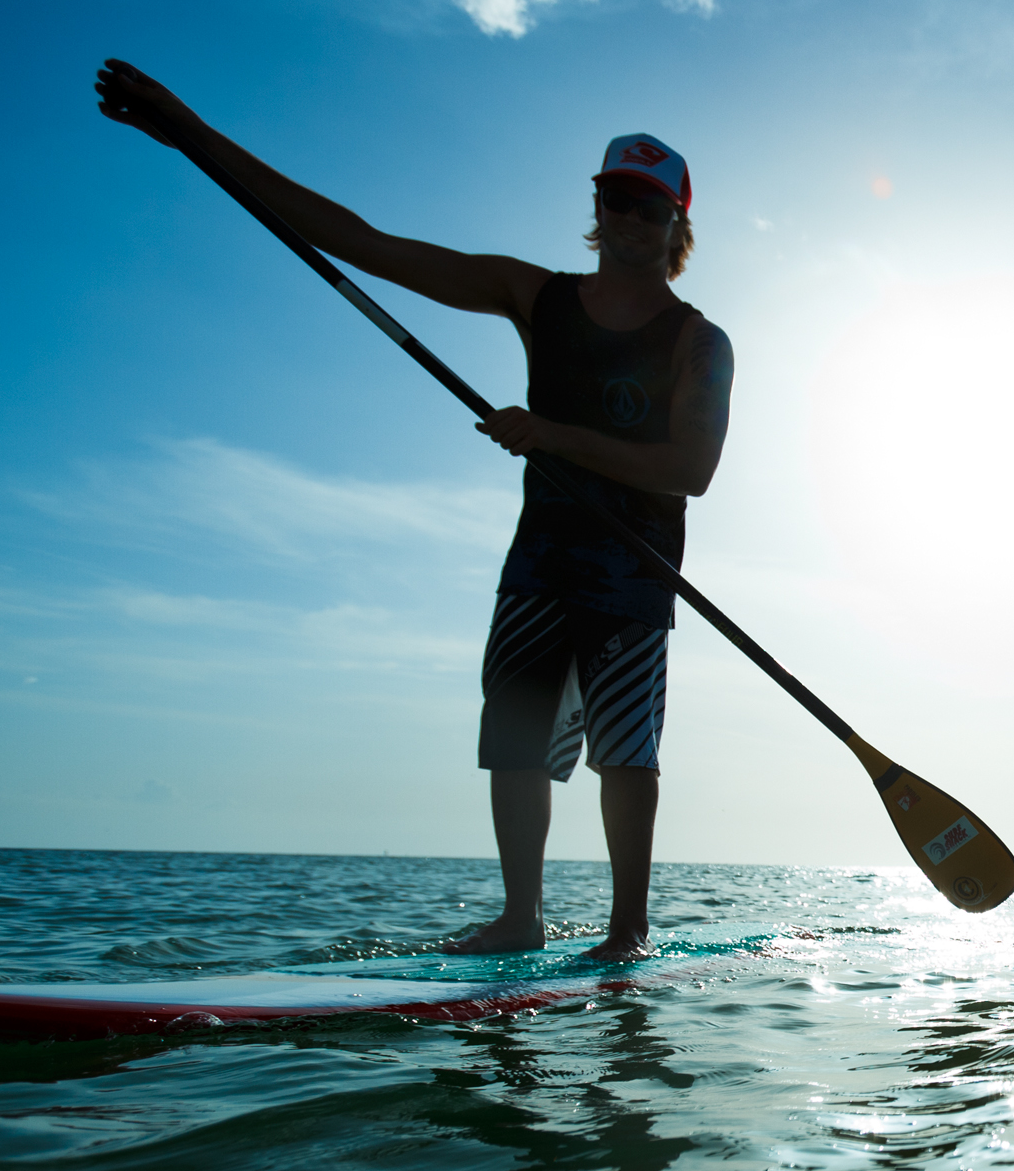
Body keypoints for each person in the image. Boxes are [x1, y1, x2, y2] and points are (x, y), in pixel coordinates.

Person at [94, 60, 733, 961]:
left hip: (634, 573)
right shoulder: (534, 293)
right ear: (598, 210)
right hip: (539, 563)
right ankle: (522, 920)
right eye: (615, 200)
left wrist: (549, 435)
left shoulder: (701, 342)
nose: (629, 219)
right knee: (512, 738)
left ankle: (628, 931)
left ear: (677, 224)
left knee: (625, 753)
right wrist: (189, 134)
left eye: (648, 206)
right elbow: (364, 241)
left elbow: (689, 471)